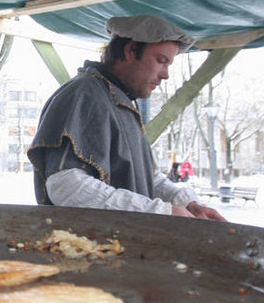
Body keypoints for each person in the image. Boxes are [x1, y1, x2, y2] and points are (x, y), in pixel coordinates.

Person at [27, 15, 225, 220]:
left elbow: (147, 178)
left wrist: (186, 202)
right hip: (87, 249)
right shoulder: (85, 94)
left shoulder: (120, 101)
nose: (165, 74)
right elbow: (67, 186)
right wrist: (159, 211)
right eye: (161, 61)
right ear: (130, 51)